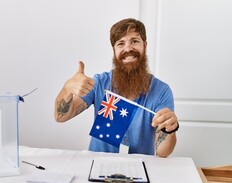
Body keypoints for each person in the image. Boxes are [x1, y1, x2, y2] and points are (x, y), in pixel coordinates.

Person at [54, 18, 178, 158]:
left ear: (145, 45)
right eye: (121, 43)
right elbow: (60, 117)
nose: (128, 48)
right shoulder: (99, 82)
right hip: (97, 163)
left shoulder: (161, 91)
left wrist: (170, 130)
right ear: (114, 50)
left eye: (135, 41)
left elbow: (163, 152)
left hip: (140, 168)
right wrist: (68, 89)